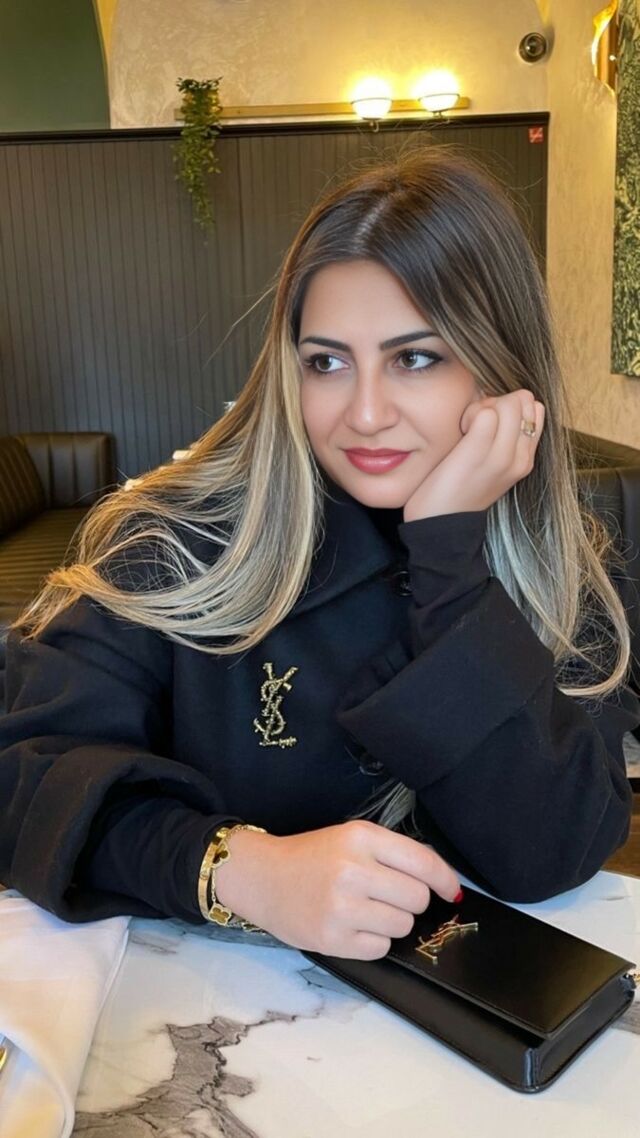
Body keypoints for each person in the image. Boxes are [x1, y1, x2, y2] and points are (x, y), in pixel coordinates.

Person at [0, 146, 637, 962]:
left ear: (502, 371)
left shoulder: (564, 566)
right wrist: (237, 869)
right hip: (203, 1010)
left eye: (415, 358)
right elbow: (25, 779)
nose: (364, 414)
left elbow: (550, 851)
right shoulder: (175, 539)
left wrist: (449, 557)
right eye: (327, 362)